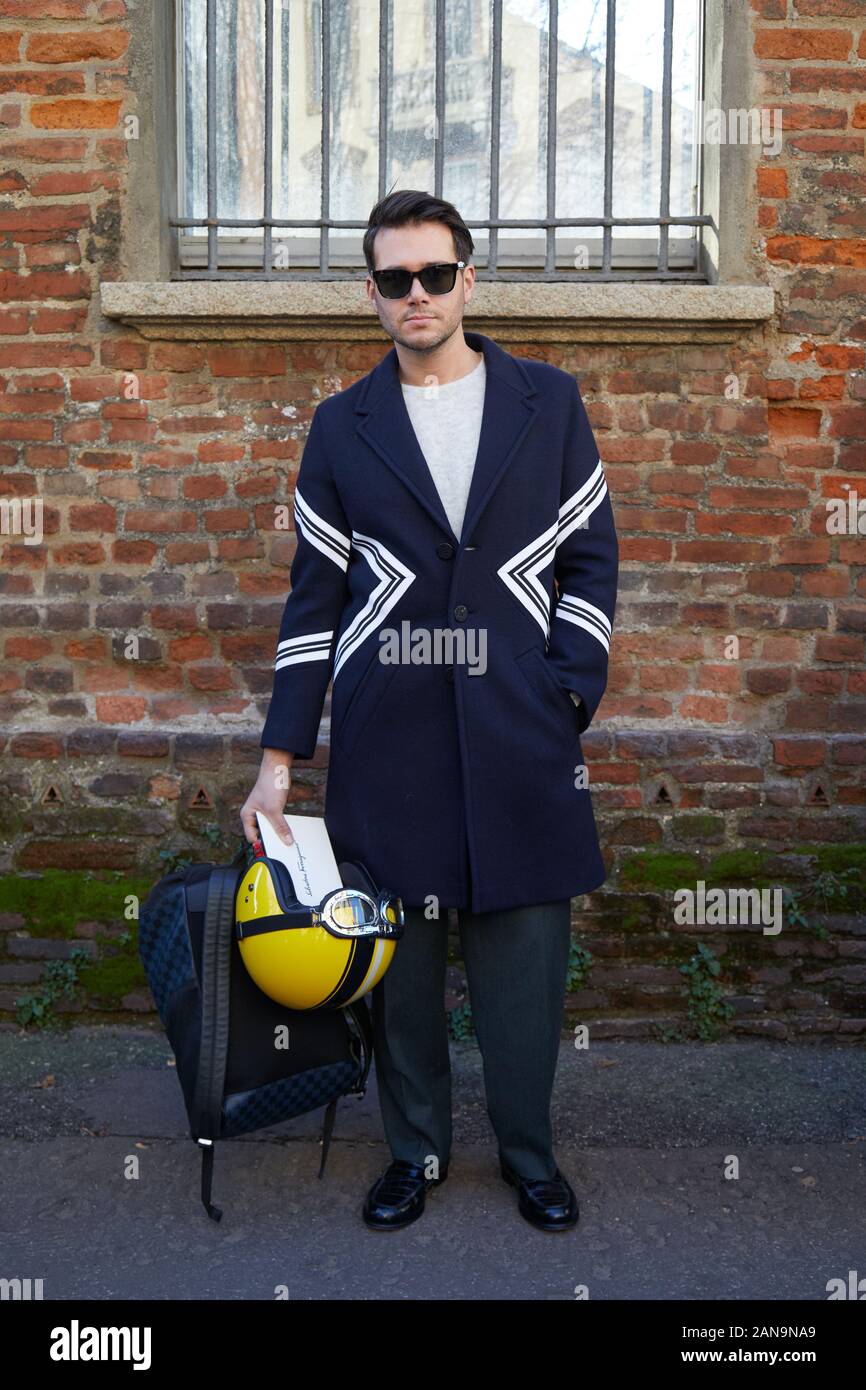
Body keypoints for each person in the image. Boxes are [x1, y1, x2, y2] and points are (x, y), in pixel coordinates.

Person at [241, 190, 619, 1234]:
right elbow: (313, 599)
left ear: (467, 280)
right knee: (398, 973)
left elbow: (591, 559)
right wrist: (279, 759)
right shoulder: (341, 427)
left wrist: (566, 690)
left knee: (524, 968)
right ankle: (414, 1152)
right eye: (395, 278)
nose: (418, 293)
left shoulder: (548, 403)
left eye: (435, 274)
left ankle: (530, 1156)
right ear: (370, 293)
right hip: (389, 738)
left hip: (521, 732)